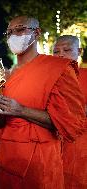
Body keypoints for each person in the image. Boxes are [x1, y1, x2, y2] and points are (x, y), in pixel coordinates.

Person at [0, 16, 86, 189]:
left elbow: (70, 123)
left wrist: (21, 110)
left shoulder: (56, 68)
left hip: (39, 162)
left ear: (37, 33)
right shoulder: (6, 76)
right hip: (7, 157)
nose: (13, 36)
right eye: (9, 32)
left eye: (20, 29)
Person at [53, 35, 87, 189]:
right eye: (56, 51)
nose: (60, 54)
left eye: (67, 50)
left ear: (79, 51)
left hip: (80, 145)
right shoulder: (48, 78)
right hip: (52, 144)